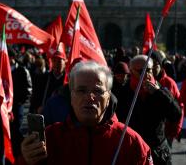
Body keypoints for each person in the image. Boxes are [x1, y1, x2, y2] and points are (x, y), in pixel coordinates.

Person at [19, 60, 153, 165]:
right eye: (81, 90)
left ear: (108, 98)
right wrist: (25, 160)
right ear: (71, 97)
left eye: (98, 91)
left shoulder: (131, 142)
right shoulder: (50, 138)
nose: (90, 97)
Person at [115, 55, 182, 165]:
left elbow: (175, 114)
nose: (146, 74)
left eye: (149, 70)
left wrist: (158, 93)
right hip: (133, 149)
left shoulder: (160, 89)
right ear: (131, 71)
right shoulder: (123, 92)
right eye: (141, 71)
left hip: (158, 150)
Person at [151, 50, 183, 145]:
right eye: (150, 65)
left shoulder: (170, 83)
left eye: (155, 64)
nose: (152, 68)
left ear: (161, 66)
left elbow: (179, 106)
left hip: (167, 132)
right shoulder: (142, 83)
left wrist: (177, 128)